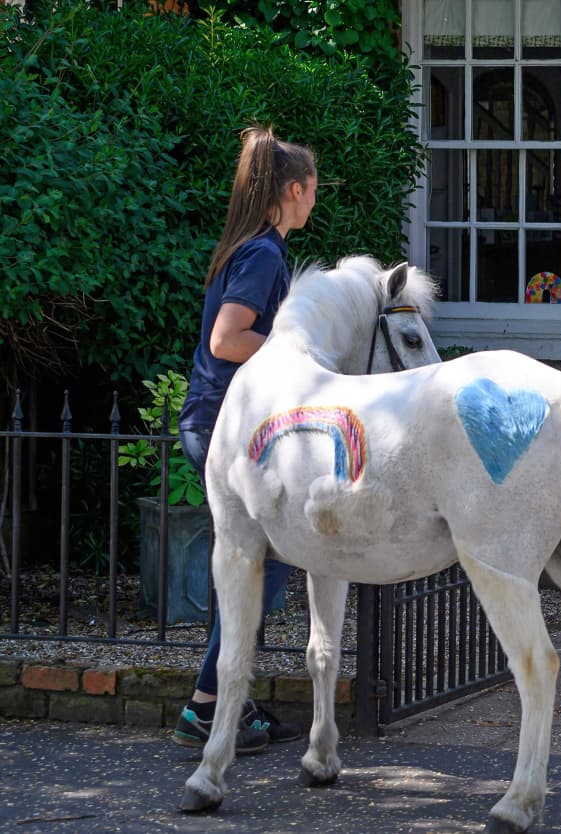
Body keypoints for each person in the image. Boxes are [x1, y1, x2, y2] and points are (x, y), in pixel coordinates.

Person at [172, 125, 318, 754]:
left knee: (245, 568)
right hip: (225, 432)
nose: (316, 200)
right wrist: (297, 355)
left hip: (220, 424)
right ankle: (206, 708)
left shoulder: (255, 247)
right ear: (293, 189)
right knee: (260, 572)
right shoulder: (263, 255)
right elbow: (226, 340)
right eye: (313, 190)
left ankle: (227, 703)